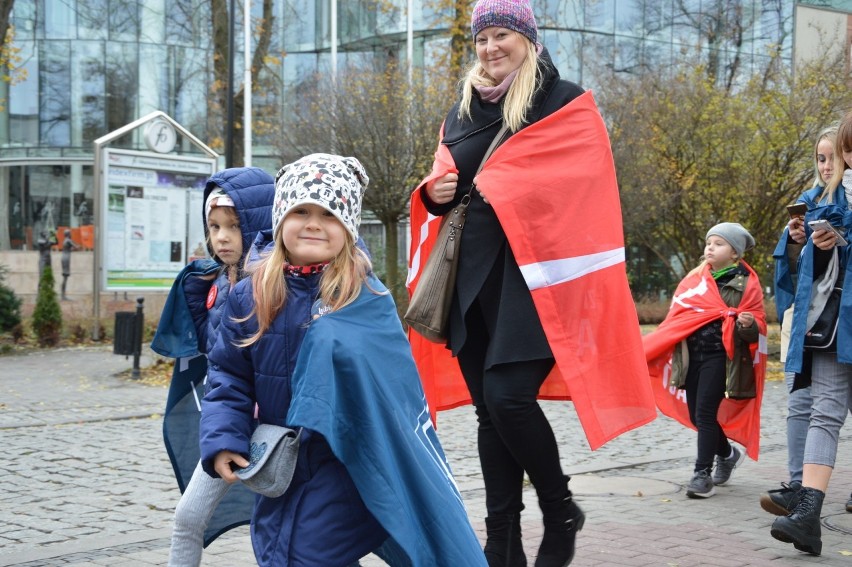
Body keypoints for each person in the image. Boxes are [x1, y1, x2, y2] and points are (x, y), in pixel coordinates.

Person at [407, 1, 657, 565]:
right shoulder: (461, 112)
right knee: (487, 412)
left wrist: (512, 186)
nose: (491, 47)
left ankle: (560, 507)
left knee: (508, 398)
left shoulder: (563, 101)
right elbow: (444, 179)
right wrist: (431, 193)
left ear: (527, 38)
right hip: (470, 282)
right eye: (482, 38)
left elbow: (587, 188)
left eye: (502, 35)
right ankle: (503, 543)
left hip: (536, 283)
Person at [199, 153, 487, 567]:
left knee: (308, 554)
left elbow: (393, 388)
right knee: (280, 549)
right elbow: (229, 376)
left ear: (348, 228)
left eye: (330, 214)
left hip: (347, 460)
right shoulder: (251, 294)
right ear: (280, 219)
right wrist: (223, 437)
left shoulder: (363, 296)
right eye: (301, 211)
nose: (314, 223)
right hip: (283, 460)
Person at [151, 167, 275, 567]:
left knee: (285, 535)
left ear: (261, 221)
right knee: (188, 517)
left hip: (282, 437)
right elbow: (220, 364)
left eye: (234, 226)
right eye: (214, 226)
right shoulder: (213, 285)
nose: (221, 237)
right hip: (234, 428)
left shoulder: (282, 286)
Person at [771, 111, 852, 556]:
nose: (833, 163)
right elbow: (797, 274)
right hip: (830, 326)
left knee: (823, 409)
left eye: (834, 155)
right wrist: (803, 241)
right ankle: (807, 508)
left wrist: (844, 242)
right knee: (817, 408)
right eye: (842, 151)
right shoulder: (823, 201)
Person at [643, 223, 766, 499]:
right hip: (691, 355)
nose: (710, 248)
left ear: (735, 253)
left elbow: (756, 325)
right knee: (696, 415)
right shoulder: (694, 278)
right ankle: (727, 453)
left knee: (706, 414)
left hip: (720, 357)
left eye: (718, 244)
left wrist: (746, 323)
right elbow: (680, 314)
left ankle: (702, 474)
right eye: (709, 242)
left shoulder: (746, 283)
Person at [59, 229, 81, 300]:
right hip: (66, 259)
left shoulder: (65, 240)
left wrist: (73, 248)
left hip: (64, 257)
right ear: (68, 234)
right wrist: (78, 246)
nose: (71, 234)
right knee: (65, 277)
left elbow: (69, 249)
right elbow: (77, 247)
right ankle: (63, 295)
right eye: (70, 233)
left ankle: (63, 295)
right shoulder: (68, 240)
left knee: (65, 277)